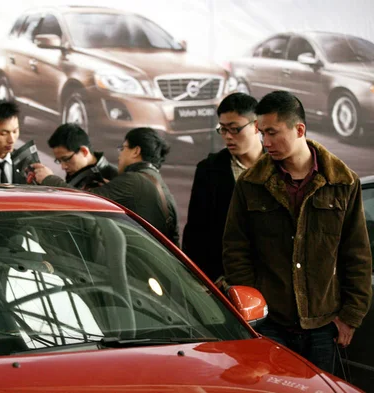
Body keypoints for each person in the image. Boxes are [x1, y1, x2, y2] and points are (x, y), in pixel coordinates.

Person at [222, 90, 372, 373]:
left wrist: (350, 317)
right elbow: (235, 250)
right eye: (261, 133)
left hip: (324, 324)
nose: (265, 142)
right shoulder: (251, 183)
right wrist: (254, 311)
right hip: (270, 323)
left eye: (272, 133)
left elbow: (357, 255)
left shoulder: (342, 182)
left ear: (299, 129)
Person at [33, 127, 180, 246]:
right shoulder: (153, 180)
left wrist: (48, 178)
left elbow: (83, 200)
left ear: (136, 151)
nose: (119, 155)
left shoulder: (133, 180)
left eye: (123, 148)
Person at [182, 93, 263, 282]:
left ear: (257, 126)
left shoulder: (278, 165)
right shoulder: (209, 170)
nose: (228, 137)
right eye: (223, 129)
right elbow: (196, 231)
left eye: (235, 129)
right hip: (223, 278)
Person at [46, 123, 118, 190]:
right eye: (59, 161)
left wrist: (50, 180)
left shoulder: (113, 179)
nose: (63, 167)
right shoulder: (78, 172)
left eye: (66, 159)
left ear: (84, 151)